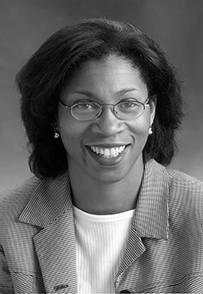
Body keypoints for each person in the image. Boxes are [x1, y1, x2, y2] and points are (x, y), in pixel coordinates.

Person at [0, 18, 202, 294]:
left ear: (151, 111)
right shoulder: (6, 226)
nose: (108, 126)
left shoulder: (199, 214)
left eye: (128, 104)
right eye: (84, 105)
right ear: (53, 117)